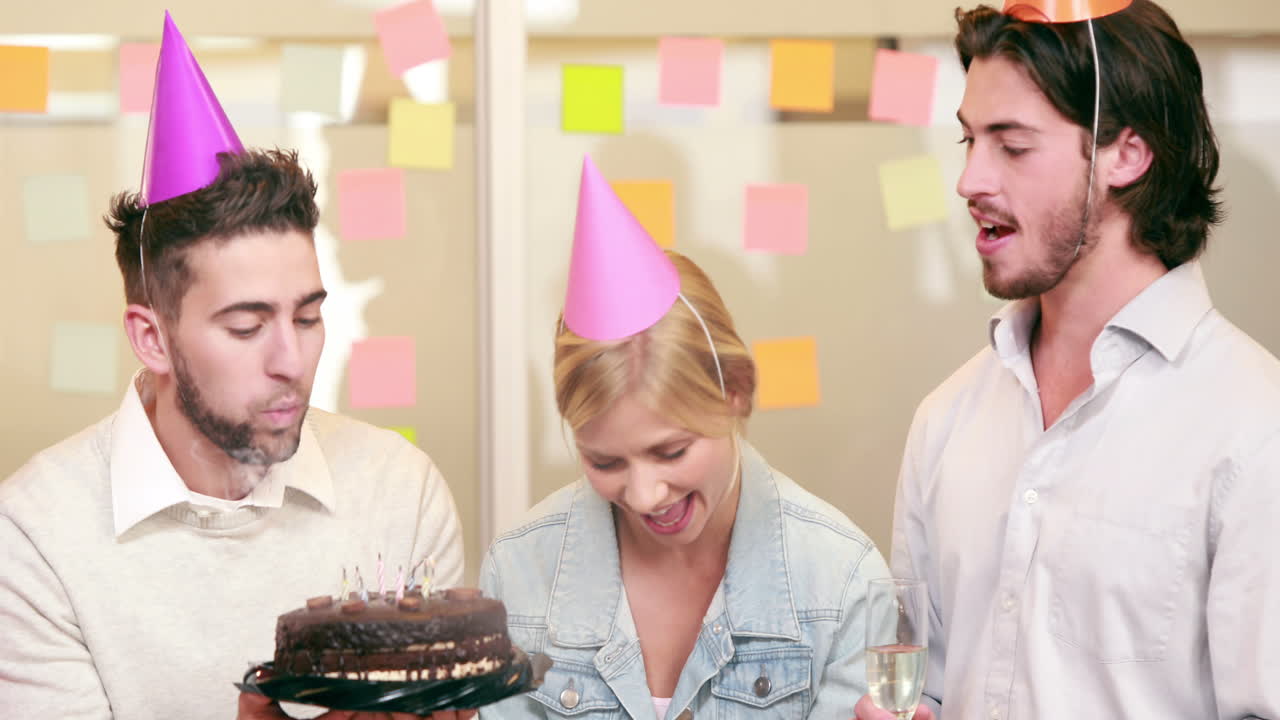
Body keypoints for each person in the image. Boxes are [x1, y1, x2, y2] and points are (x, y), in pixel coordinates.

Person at [0, 14, 466, 720]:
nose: (293, 360)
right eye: (247, 326)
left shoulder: (400, 494)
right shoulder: (36, 537)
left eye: (307, 317)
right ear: (151, 339)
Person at [856, 0, 1280, 718]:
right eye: (968, 142)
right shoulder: (945, 419)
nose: (970, 181)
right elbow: (919, 683)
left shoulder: (1254, 425)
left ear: (1126, 154)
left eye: (1012, 146)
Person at [478, 157, 890, 720]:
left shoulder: (842, 584)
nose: (646, 495)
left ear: (736, 394)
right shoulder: (519, 572)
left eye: (670, 452)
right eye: (605, 461)